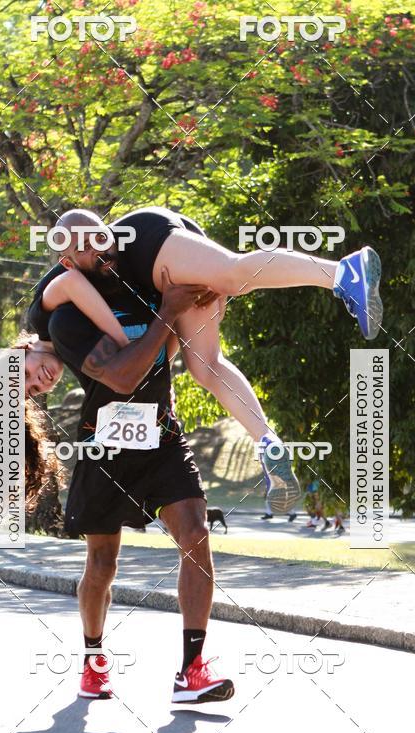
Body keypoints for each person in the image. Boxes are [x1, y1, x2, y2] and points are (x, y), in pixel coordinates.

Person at [0, 270, 235, 704]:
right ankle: (93, 662)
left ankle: (192, 671)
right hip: (106, 453)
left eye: (30, 375)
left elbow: (153, 340)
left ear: (20, 351)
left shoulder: (61, 315)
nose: (41, 383)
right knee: (101, 565)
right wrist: (168, 316)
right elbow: (128, 372)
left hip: (162, 438)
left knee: (195, 535)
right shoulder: (68, 335)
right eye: (35, 390)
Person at [30, 206, 383, 515]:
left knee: (232, 274)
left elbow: (77, 288)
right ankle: (267, 444)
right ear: (68, 258)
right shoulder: (73, 340)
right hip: (160, 287)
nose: (98, 248)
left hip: (152, 243)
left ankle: (342, 273)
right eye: (85, 248)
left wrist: (126, 343)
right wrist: (164, 329)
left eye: (100, 237)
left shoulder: (44, 314)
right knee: (206, 366)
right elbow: (150, 353)